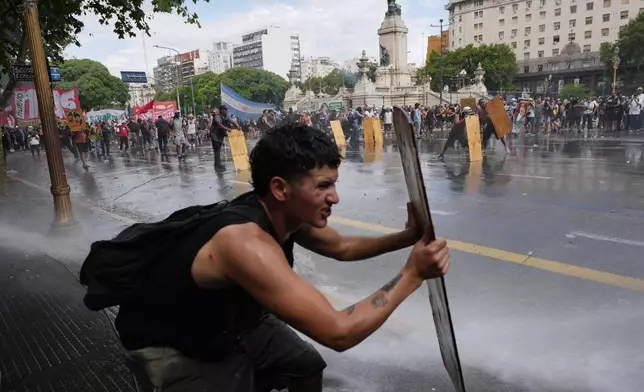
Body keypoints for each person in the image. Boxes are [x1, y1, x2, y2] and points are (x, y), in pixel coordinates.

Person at [113, 123, 450, 391]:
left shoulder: (286, 215)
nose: (334, 197)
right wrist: (412, 275)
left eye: (334, 184)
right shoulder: (245, 245)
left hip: (229, 319)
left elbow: (341, 247)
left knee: (304, 365)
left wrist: (406, 238)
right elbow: (338, 332)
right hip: (174, 342)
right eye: (322, 186)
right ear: (279, 188)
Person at [210, 105, 235, 172]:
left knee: (218, 150)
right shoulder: (217, 117)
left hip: (220, 135)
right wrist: (227, 129)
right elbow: (219, 124)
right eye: (225, 110)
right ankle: (218, 165)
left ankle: (217, 165)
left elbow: (232, 121)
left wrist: (238, 126)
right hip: (214, 135)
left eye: (227, 110)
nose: (227, 111)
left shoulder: (226, 116)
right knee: (217, 149)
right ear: (222, 110)